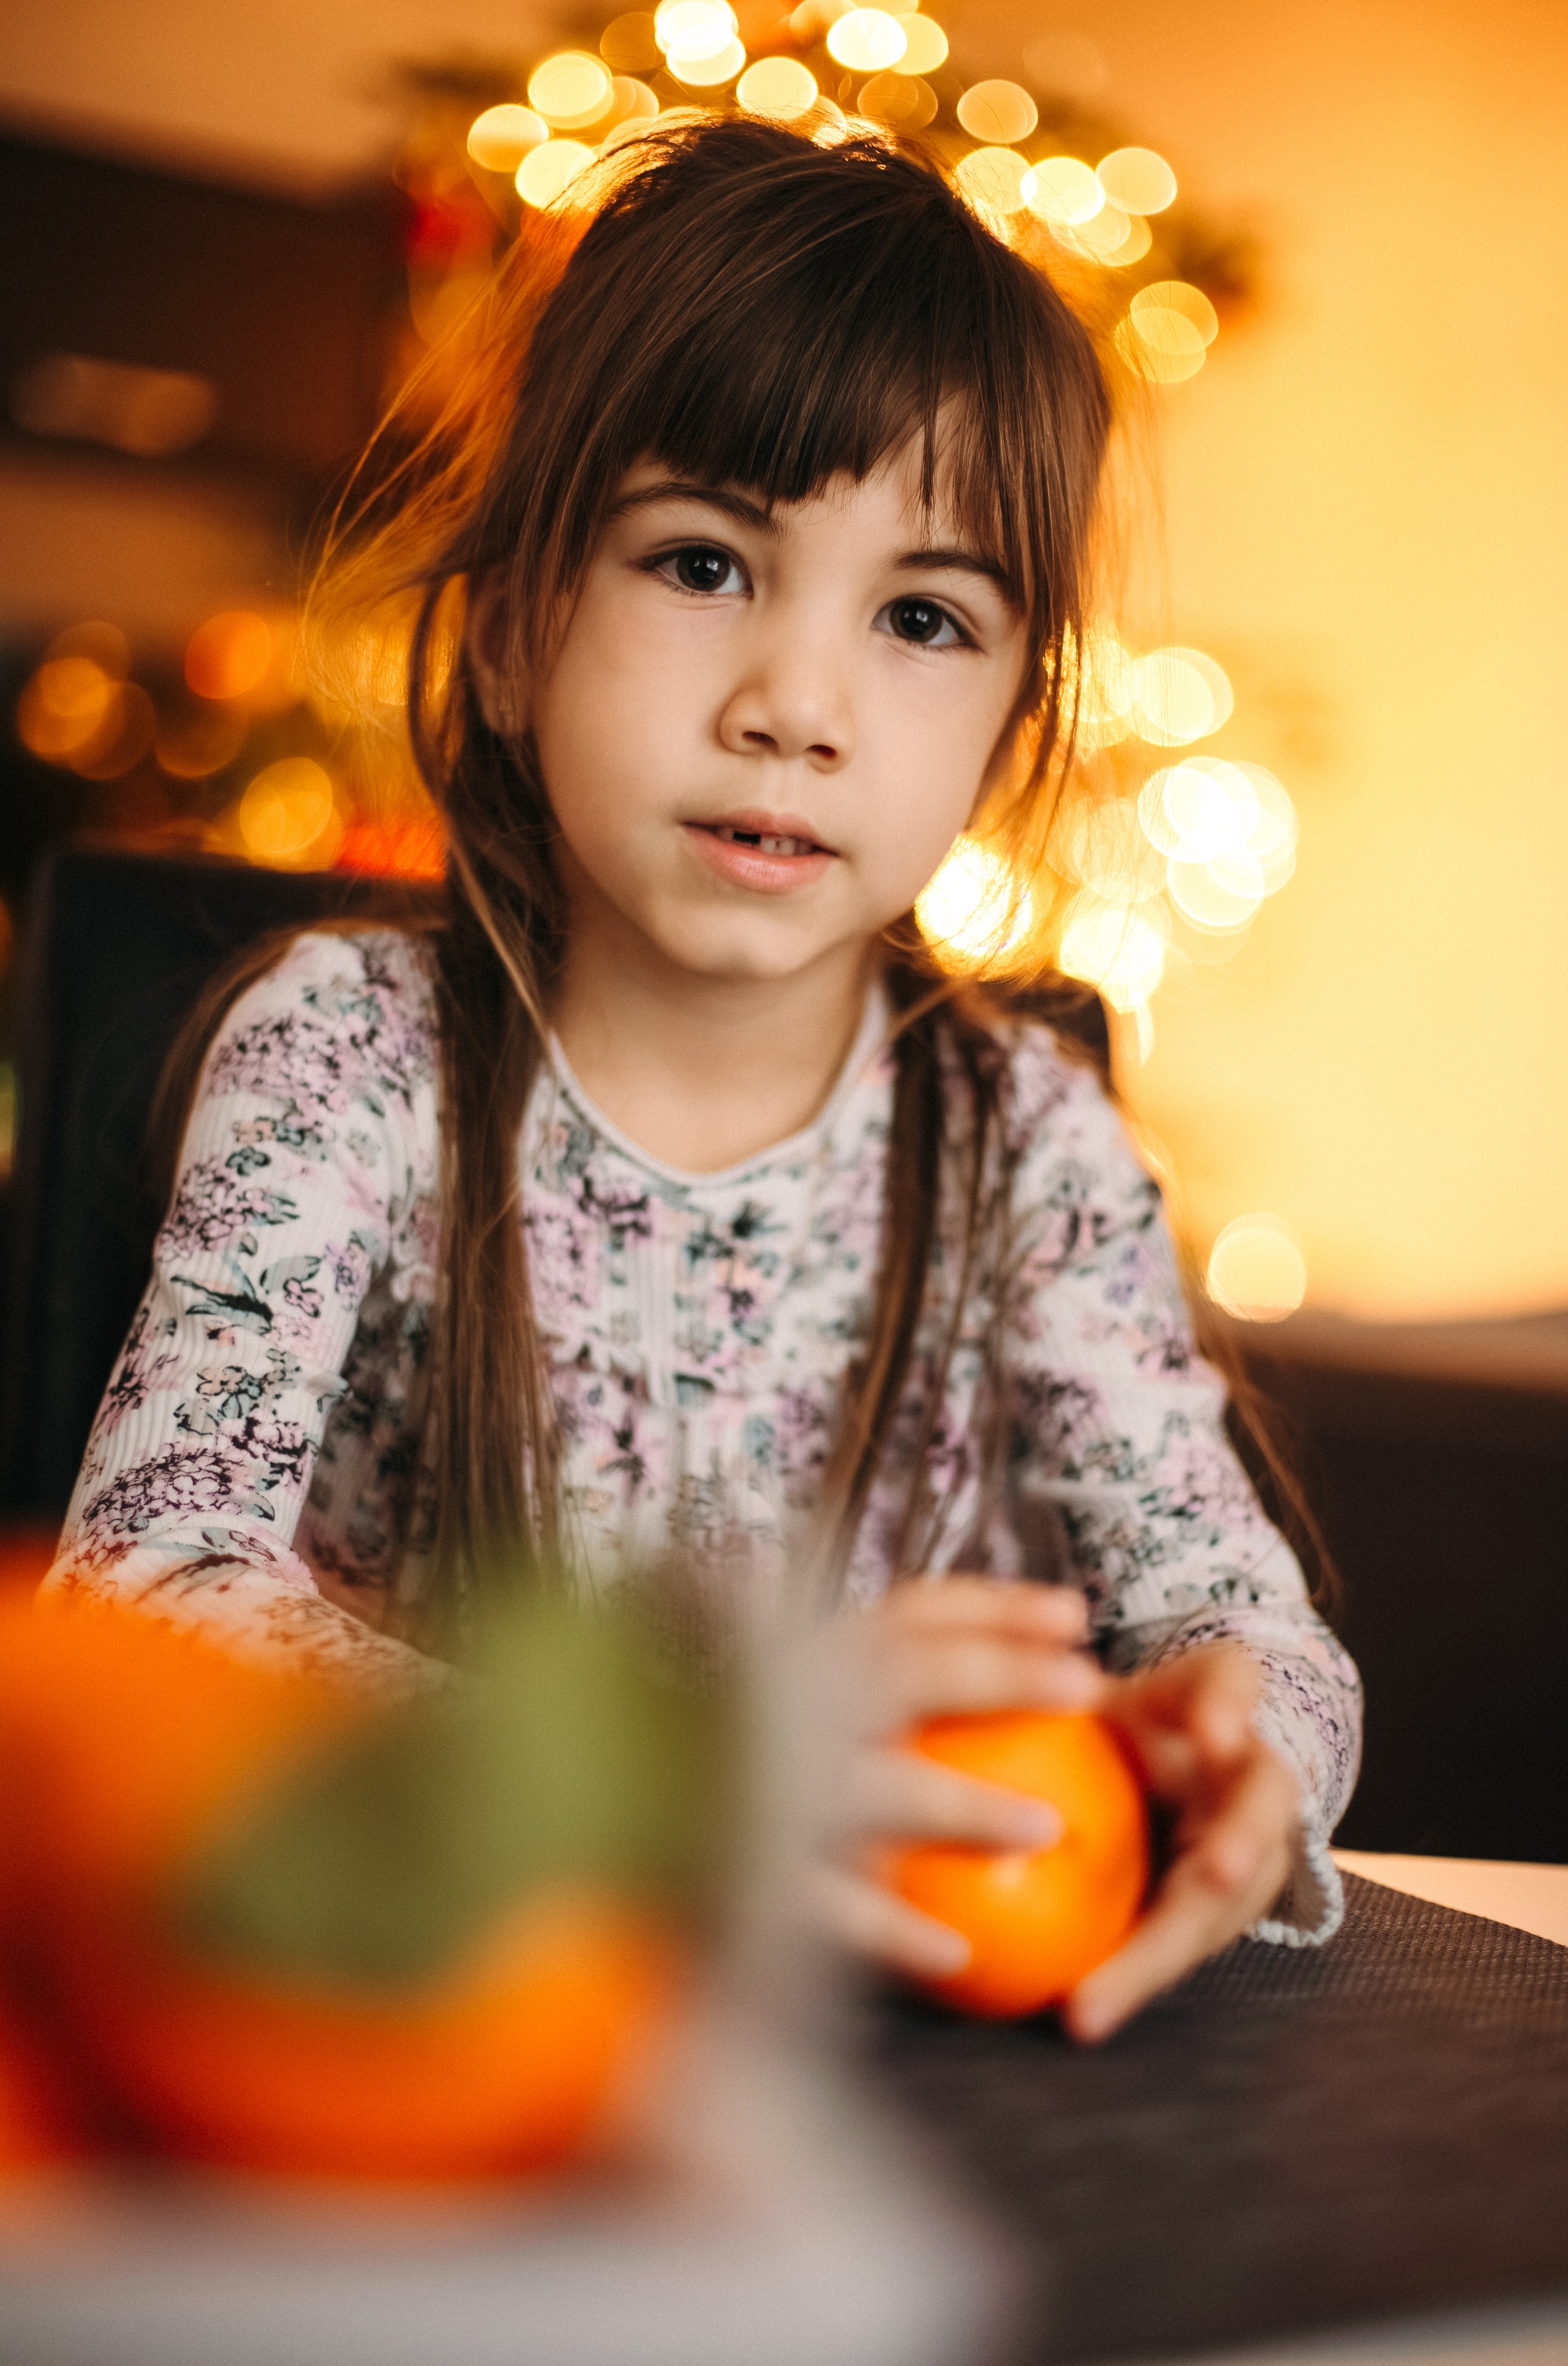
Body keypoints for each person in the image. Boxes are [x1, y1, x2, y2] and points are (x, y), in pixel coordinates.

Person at [46, 116, 1360, 2041]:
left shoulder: (1026, 1146)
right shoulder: (348, 1053)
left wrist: (1250, 1756)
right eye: (701, 562)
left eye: (920, 618)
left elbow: (1242, 1616)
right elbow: (142, 1586)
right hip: (444, 2017)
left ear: (1005, 734)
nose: (795, 708)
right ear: (507, 634)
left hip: (906, 2070)